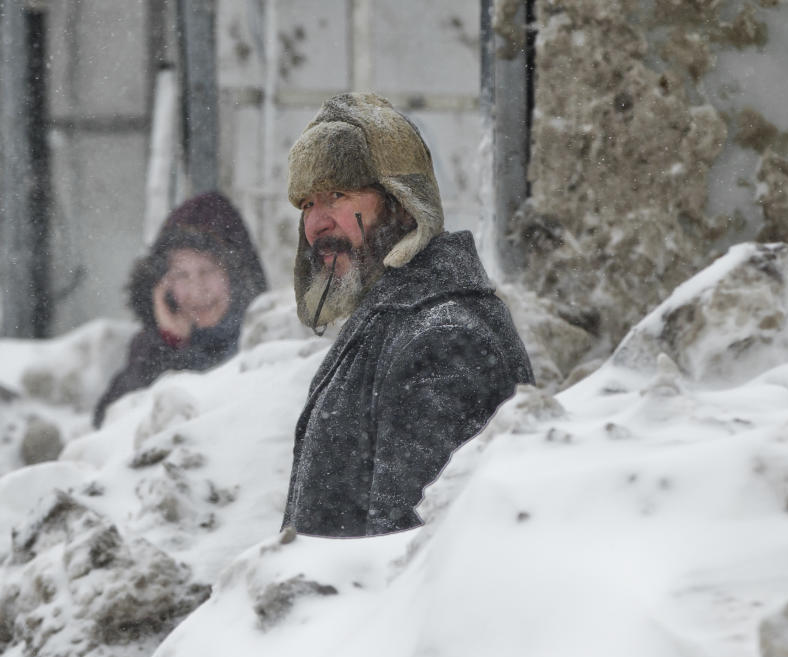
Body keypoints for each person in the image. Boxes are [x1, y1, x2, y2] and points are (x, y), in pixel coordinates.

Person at [281, 93, 534, 537]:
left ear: (400, 203)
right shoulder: (394, 323)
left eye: (336, 195)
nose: (316, 224)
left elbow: (408, 552)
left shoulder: (444, 341)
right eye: (306, 204)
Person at [93, 192, 267, 427]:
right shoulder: (152, 346)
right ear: (162, 285)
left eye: (208, 271)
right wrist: (170, 345)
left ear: (235, 277)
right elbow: (110, 425)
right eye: (181, 275)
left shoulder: (262, 343)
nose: (197, 290)